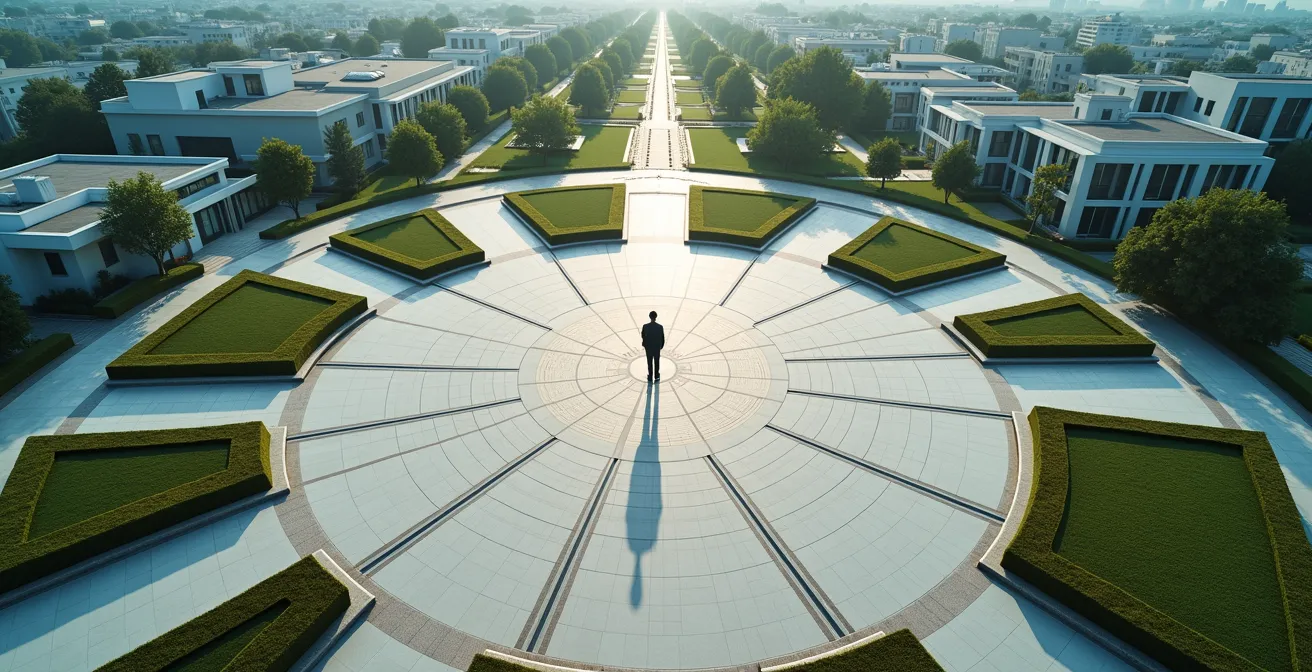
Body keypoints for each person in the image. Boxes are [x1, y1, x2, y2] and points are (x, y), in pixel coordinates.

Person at [640, 310, 664, 382]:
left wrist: (645, 344)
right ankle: (656, 375)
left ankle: (650, 376)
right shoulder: (660, 327)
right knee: (657, 361)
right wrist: (660, 346)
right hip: (656, 347)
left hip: (649, 347)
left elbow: (643, 336)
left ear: (649, 317)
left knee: (649, 362)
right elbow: (662, 338)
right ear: (656, 317)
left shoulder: (645, 326)